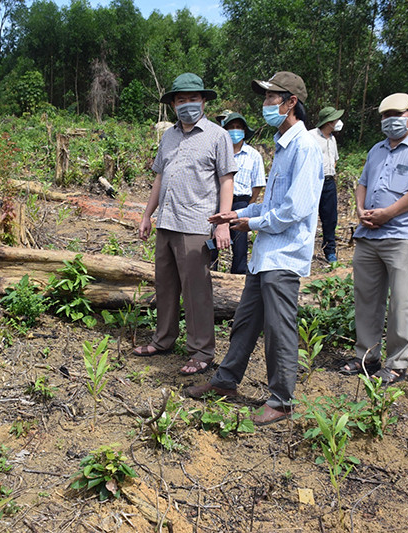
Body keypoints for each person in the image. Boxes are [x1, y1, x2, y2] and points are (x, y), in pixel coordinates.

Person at [184, 71, 323, 426]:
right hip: (266, 256)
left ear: (291, 102)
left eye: (271, 98)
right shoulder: (283, 144)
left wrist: (251, 224)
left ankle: (282, 400)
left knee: (280, 329)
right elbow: (269, 203)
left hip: (285, 253)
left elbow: (296, 208)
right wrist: (237, 214)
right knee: (245, 322)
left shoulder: (306, 147)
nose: (265, 105)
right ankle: (226, 380)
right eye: (264, 98)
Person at [134, 72, 237, 376]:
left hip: (196, 224)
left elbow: (227, 180)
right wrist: (146, 215)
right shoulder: (168, 136)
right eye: (181, 100)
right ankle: (163, 339)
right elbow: (159, 178)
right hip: (167, 221)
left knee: (196, 291)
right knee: (165, 287)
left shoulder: (217, 136)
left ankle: (201, 351)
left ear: (203, 101)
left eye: (193, 99)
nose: (187, 104)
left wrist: (223, 223)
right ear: (173, 104)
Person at [339, 93, 408, 384]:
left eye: (397, 114)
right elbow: (363, 183)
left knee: (401, 301)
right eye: (385, 115)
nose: (390, 120)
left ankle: (397, 363)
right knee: (366, 299)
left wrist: (388, 213)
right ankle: (367, 356)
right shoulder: (377, 150)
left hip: (401, 236)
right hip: (369, 234)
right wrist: (361, 211)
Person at [211, 112, 266, 274]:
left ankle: (238, 271)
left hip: (241, 202)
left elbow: (258, 184)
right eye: (231, 128)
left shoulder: (253, 155)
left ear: (243, 131)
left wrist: (249, 205)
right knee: (214, 235)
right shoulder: (218, 152)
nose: (235, 131)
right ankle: (212, 269)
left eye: (238, 128)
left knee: (240, 239)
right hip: (219, 199)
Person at [309, 106, 344, 263]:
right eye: (335, 119)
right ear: (328, 122)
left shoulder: (333, 139)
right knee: (308, 217)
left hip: (329, 182)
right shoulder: (311, 137)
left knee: (330, 218)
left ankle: (329, 251)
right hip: (313, 182)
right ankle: (305, 250)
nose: (338, 122)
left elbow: (334, 159)